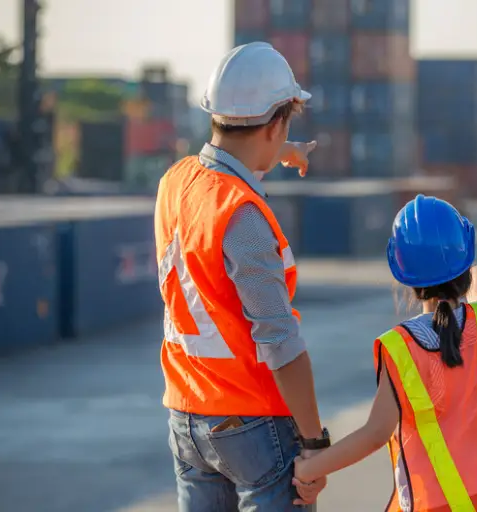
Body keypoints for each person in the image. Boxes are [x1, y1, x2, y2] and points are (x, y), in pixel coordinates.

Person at [154, 42, 330, 511]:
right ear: (274, 124)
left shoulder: (174, 181)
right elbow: (280, 341)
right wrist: (315, 440)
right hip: (251, 426)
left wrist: (279, 149)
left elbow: (220, 161)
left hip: (187, 417)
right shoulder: (243, 215)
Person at [292, 195, 477, 511]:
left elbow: (375, 434)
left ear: (402, 273)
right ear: (465, 262)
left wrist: (309, 469)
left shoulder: (403, 347)